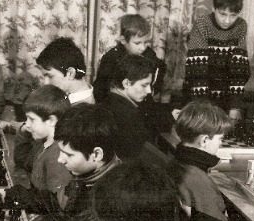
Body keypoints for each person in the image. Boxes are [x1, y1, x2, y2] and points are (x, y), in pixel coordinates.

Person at [168, 99, 245, 221]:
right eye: (220, 139)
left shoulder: (176, 163)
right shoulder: (197, 180)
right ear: (204, 141)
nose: (220, 144)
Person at [10, 37, 96, 170]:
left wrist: (23, 130)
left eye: (49, 76)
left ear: (70, 73)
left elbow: (32, 160)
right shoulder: (65, 100)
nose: (45, 83)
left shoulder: (80, 114)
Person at [185, 0, 251, 109]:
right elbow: (197, 67)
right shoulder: (202, 23)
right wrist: (202, 106)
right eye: (223, 14)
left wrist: (234, 106)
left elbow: (239, 67)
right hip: (198, 92)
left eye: (233, 15)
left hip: (226, 95)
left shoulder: (241, 25)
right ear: (214, 9)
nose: (227, 21)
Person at [99, 54, 166, 160]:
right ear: (126, 83)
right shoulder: (129, 116)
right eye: (144, 85)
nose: (149, 91)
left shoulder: (107, 101)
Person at [93, 14, 167, 102]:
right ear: (123, 40)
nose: (142, 48)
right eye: (137, 43)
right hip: (116, 103)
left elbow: (160, 69)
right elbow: (100, 89)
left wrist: (152, 89)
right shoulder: (111, 58)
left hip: (143, 101)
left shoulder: (149, 54)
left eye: (146, 42)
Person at [17, 85, 72, 192]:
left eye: (31, 119)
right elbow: (22, 162)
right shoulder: (44, 143)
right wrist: (24, 133)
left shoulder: (57, 158)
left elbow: (56, 200)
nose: (26, 124)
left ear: (51, 121)